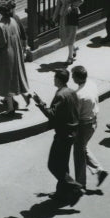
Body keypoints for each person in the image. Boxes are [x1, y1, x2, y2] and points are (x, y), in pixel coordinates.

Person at [32, 69, 83, 199]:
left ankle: (74, 185)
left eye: (55, 78)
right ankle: (62, 193)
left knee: (53, 165)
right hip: (73, 132)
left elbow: (51, 115)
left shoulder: (61, 95)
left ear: (58, 80)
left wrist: (40, 103)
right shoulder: (72, 92)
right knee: (63, 165)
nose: (53, 80)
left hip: (63, 134)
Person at [71, 65, 108, 190]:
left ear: (76, 78)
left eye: (73, 75)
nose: (71, 77)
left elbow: (75, 115)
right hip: (93, 122)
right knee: (82, 148)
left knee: (78, 153)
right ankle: (98, 170)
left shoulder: (78, 95)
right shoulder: (91, 84)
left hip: (83, 125)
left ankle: (80, 183)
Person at [0, 0, 31, 114]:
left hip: (5, 55)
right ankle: (25, 96)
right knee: (15, 77)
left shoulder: (0, 26)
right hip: (15, 53)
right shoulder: (13, 21)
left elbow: (0, 44)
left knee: (5, 81)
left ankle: (10, 108)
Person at [53, 0, 84, 64]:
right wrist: (55, 15)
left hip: (72, 14)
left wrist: (72, 5)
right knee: (65, 35)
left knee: (71, 34)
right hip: (63, 14)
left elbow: (80, 0)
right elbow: (58, 3)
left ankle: (70, 57)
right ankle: (73, 48)